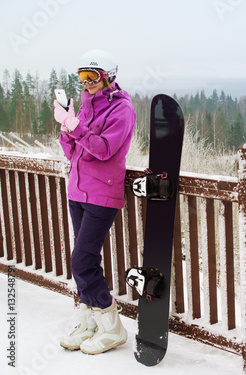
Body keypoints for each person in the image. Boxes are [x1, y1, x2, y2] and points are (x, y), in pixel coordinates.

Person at [53, 49, 136, 354]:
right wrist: (67, 126)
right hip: (78, 192)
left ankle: (112, 327)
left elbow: (103, 150)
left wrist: (76, 127)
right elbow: (72, 150)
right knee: (85, 259)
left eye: (93, 77)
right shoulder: (86, 106)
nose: (86, 83)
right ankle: (89, 321)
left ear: (109, 77)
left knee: (82, 261)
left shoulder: (122, 110)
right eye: (82, 77)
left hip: (102, 194)